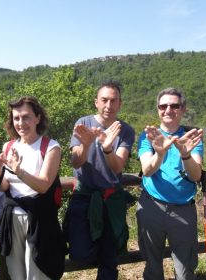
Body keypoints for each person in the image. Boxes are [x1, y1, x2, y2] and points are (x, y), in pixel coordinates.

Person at [0, 96, 65, 280]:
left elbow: (43, 185)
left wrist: (19, 171)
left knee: (38, 273)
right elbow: (4, 187)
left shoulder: (50, 147)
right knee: (16, 274)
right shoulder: (9, 146)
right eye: (16, 118)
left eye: (26, 117)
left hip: (40, 219)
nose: (21, 123)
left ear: (38, 118)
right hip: (12, 219)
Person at [65, 80, 135, 280]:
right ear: (96, 102)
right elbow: (76, 162)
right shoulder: (84, 123)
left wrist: (107, 147)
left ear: (120, 104)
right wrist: (86, 144)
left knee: (109, 261)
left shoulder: (126, 130)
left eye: (113, 101)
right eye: (104, 100)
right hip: (83, 196)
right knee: (79, 253)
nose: (108, 105)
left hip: (110, 198)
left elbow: (117, 167)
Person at [137, 87, 204, 280]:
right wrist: (160, 152)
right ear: (158, 109)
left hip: (184, 209)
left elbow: (196, 175)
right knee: (152, 267)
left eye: (174, 105)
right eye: (163, 105)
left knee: (185, 270)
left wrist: (185, 153)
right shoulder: (149, 136)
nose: (168, 110)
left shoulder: (191, 136)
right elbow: (147, 170)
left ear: (183, 108)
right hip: (151, 206)